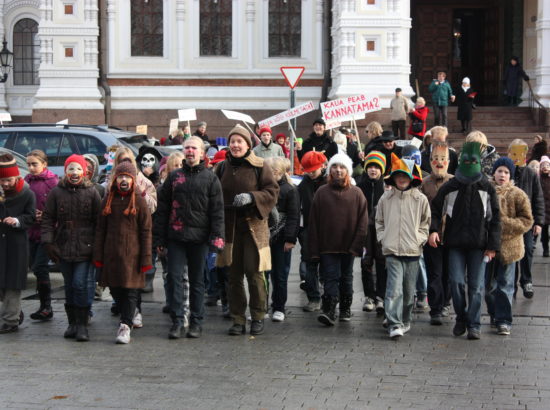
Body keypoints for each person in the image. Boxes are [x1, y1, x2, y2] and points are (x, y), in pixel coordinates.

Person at [429, 141, 501, 340]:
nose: (470, 163)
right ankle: (461, 317)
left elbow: (495, 218)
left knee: (476, 287)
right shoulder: (450, 186)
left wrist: (492, 246)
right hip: (455, 244)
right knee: (457, 283)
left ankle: (474, 323)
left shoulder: (487, 187)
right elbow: (435, 209)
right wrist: (434, 230)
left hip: (479, 246)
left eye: (473, 161)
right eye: (466, 160)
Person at [155, 137, 225, 339]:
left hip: (199, 238)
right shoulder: (174, 177)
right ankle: (177, 321)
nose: (190, 151)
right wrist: (159, 239)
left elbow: (217, 212)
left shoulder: (211, 179)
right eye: (187, 148)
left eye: (194, 148)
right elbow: (162, 210)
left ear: (202, 153)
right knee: (175, 278)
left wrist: (216, 238)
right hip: (175, 237)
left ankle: (196, 321)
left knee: (197, 281)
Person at [216, 124, 278, 336]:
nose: (235, 145)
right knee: (233, 277)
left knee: (254, 274)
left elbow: (272, 191)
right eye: (232, 141)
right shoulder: (222, 167)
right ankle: (237, 319)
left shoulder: (260, 165)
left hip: (253, 229)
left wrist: (253, 197)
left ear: (247, 144)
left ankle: (258, 316)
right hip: (230, 229)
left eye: (239, 141)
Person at [42, 154, 102, 342]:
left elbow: (99, 221)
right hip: (64, 245)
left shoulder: (92, 192)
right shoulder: (56, 192)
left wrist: (97, 246)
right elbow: (47, 218)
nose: (74, 173)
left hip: (86, 246)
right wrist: (48, 242)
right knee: (69, 285)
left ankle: (83, 324)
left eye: (77, 169)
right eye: (70, 169)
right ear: (65, 171)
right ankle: (72, 323)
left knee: (80, 284)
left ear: (84, 171)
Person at [93, 162, 152, 344]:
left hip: (133, 255)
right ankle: (129, 312)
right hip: (112, 254)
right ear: (115, 179)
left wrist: (146, 258)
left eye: (127, 176)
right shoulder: (108, 200)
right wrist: (98, 256)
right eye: (120, 176)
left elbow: (146, 231)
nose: (124, 180)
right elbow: (100, 230)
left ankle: (125, 325)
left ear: (133, 179)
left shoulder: (139, 201)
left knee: (131, 290)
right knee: (115, 289)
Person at [309, 153, 368, 326]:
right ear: (330, 170)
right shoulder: (321, 193)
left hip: (348, 246)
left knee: (346, 278)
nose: (338, 170)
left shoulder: (357, 193)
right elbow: (313, 222)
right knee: (330, 277)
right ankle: (328, 309)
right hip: (327, 245)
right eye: (335, 167)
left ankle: (345, 308)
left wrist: (356, 245)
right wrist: (314, 248)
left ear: (348, 171)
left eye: (342, 167)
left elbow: (363, 222)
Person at [376, 154, 430, 338]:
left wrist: (420, 238)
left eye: (405, 175)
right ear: (393, 177)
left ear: (411, 177)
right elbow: (379, 221)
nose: (401, 179)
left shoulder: (419, 199)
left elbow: (425, 223)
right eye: (398, 175)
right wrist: (383, 237)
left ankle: (405, 320)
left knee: (408, 293)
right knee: (394, 289)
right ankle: (394, 323)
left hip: (413, 251)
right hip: (392, 250)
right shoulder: (386, 198)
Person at [486, 157, 533, 336]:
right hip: (488, 246)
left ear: (511, 175)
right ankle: (493, 313)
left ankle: (504, 320)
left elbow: (526, 220)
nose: (502, 175)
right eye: (500, 171)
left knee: (505, 285)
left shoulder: (517, 194)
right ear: (494, 172)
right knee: (488, 286)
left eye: (506, 172)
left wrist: (504, 224)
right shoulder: (486, 190)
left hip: (510, 246)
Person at [0, 154, 36, 333]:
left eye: (8, 180)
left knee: (12, 284)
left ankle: (10, 321)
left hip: (16, 245)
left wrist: (16, 221)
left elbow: (31, 217)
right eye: (1, 180)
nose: (5, 184)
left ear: (16, 177)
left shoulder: (27, 193)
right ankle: (13, 312)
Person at [420, 142, 453, 325]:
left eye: (443, 159)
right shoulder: (424, 184)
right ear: (431, 161)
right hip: (431, 237)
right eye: (436, 159)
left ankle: (446, 302)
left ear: (448, 161)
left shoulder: (454, 182)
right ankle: (435, 308)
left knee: (449, 273)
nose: (439, 163)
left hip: (451, 237)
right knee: (435, 273)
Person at [508, 139, 544, 299]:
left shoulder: (530, 174)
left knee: (528, 250)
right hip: (510, 222)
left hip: (527, 222)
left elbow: (538, 198)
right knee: (513, 253)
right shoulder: (507, 171)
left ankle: (526, 280)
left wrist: (539, 222)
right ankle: (512, 283)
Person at [264, 157, 300, 322]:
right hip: (264, 237)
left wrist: (290, 239)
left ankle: (279, 307)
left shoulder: (290, 190)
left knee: (280, 274)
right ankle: (262, 306)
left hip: (281, 238)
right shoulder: (265, 187)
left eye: (273, 172)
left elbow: (294, 216)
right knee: (262, 273)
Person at [24, 150, 58, 321]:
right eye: (28, 164)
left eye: (34, 164)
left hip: (47, 232)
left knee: (40, 267)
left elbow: (59, 207)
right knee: (35, 268)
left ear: (44, 164)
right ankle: (44, 305)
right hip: (31, 231)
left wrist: (44, 215)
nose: (30, 167)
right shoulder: (27, 181)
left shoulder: (52, 182)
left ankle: (47, 306)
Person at [297, 151, 327, 312]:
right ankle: (313, 298)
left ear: (322, 166)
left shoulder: (330, 182)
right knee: (309, 264)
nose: (310, 173)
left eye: (313, 170)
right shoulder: (303, 185)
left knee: (328, 265)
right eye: (307, 170)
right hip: (308, 229)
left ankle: (329, 298)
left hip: (328, 229)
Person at [357, 151, 387, 314]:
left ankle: (381, 297)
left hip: (382, 231)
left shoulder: (387, 186)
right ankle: (369, 296)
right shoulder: (360, 186)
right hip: (365, 230)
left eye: (376, 167)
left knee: (382, 264)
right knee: (365, 262)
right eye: (370, 166)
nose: (373, 170)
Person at [539, 156, 550, 257]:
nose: (545, 167)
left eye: (547, 165)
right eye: (543, 165)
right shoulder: (539, 179)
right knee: (545, 230)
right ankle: (545, 249)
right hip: (544, 209)